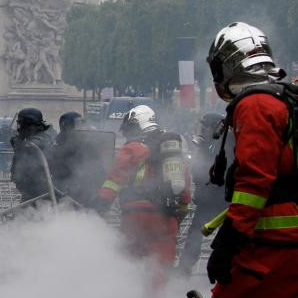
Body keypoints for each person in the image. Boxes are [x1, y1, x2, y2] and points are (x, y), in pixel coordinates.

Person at [191, 22, 298, 298]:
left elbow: (254, 183)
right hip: (294, 244)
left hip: (270, 244)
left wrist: (229, 242)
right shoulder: (288, 99)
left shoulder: (256, 105)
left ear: (227, 65)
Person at [97, 105, 190, 277]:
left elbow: (115, 180)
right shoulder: (173, 149)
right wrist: (179, 214)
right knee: (161, 269)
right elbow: (185, 188)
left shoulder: (132, 148)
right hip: (167, 216)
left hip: (136, 214)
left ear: (138, 125)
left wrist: (100, 206)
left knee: (130, 263)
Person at [178, 113, 228, 275]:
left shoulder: (224, 144)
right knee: (195, 233)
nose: (203, 131)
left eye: (205, 127)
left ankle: (225, 267)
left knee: (221, 235)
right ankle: (185, 267)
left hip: (219, 199)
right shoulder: (208, 145)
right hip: (208, 198)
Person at [49, 111, 108, 208]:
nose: (82, 127)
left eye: (82, 123)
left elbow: (98, 169)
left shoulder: (87, 144)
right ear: (67, 126)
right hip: (62, 193)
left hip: (85, 192)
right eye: (79, 124)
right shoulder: (57, 144)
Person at [9, 108, 54, 202]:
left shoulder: (33, 144)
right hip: (35, 190)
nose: (19, 128)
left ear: (27, 125)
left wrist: (18, 141)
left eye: (20, 124)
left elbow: (24, 159)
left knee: (30, 213)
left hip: (36, 190)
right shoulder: (42, 137)